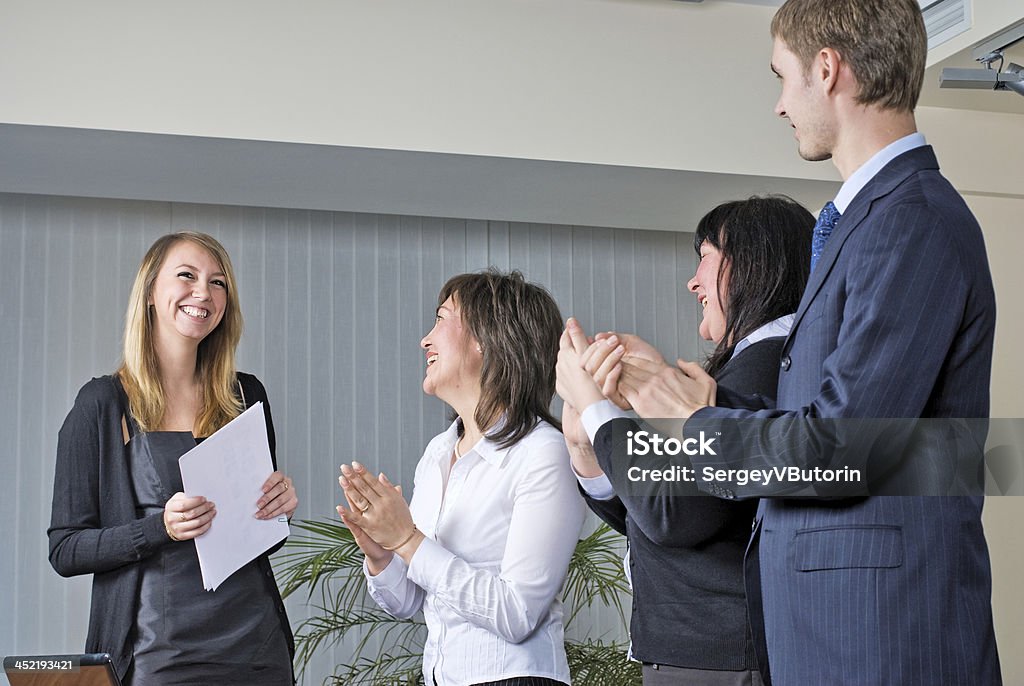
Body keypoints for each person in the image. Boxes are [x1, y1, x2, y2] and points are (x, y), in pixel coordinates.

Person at [566, 1, 1002, 684]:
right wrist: (703, 399)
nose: (779, 105)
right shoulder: (861, 223)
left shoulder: (910, 221)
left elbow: (844, 447)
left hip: (876, 636)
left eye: (782, 77)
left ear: (827, 70)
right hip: (826, 632)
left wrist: (697, 422)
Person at [556, 196, 813, 686]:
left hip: (720, 658)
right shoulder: (748, 369)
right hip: (706, 654)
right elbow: (650, 514)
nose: (692, 281)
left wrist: (597, 409)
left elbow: (673, 515)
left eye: (705, 257)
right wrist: (586, 446)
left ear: (750, 264)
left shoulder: (764, 370)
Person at [48, 232, 298, 685]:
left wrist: (276, 511)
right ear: (149, 292)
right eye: (187, 275)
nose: (204, 292)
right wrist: (159, 529)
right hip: (157, 653)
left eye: (218, 282)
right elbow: (65, 549)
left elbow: (264, 538)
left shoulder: (247, 395)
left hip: (255, 644)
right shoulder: (102, 403)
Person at [337, 270, 586, 686]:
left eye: (441, 319)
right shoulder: (439, 451)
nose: (425, 340)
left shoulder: (545, 451)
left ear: (486, 340)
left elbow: (518, 614)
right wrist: (382, 555)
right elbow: (412, 601)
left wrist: (407, 541)